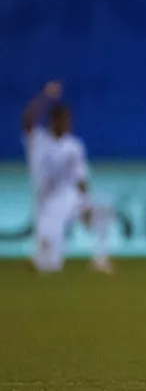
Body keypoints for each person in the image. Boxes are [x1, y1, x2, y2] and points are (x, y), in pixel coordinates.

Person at [21, 82, 114, 274]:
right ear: (53, 121)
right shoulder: (38, 140)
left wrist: (86, 203)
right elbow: (27, 119)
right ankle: (42, 254)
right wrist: (46, 96)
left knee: (103, 208)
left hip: (70, 198)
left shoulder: (74, 146)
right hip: (46, 205)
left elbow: (81, 178)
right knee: (50, 266)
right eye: (64, 120)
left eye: (69, 120)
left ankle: (100, 260)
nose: (68, 124)